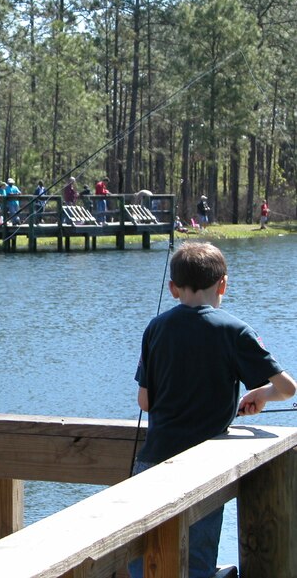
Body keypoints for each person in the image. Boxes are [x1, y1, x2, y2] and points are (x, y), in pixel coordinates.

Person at [128, 242, 296, 578]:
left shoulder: (155, 328)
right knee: (197, 563)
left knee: (143, 560)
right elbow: (288, 388)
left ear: (173, 288)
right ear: (223, 284)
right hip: (203, 467)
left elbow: (145, 402)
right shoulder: (234, 330)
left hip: (152, 461)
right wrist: (260, 394)